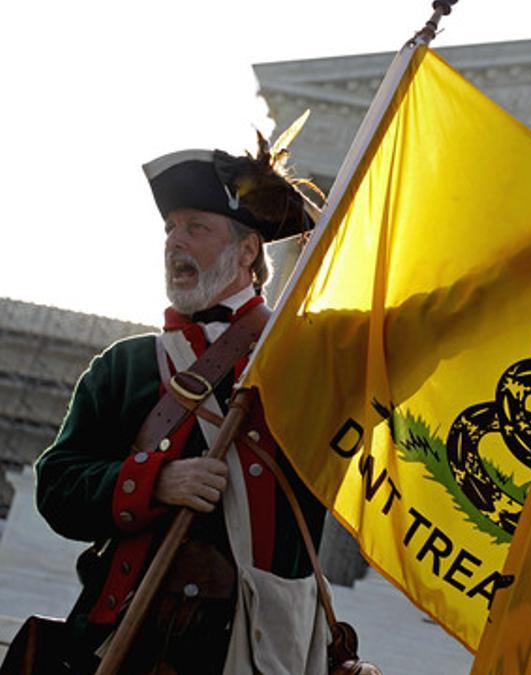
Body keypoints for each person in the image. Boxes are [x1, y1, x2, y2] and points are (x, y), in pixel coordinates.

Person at [31, 132, 327, 674]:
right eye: (170, 229)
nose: (174, 242)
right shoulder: (125, 367)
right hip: (126, 638)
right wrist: (156, 481)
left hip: (256, 649)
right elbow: (57, 486)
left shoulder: (305, 361)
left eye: (196, 228)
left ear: (246, 251)